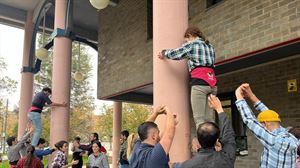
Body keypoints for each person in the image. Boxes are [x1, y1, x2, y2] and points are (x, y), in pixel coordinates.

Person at [158, 27, 217, 129]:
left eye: (186, 39)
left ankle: (205, 143)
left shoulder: (193, 45)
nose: (186, 42)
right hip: (212, 84)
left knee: (199, 119)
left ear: (189, 36)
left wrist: (164, 53)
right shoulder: (210, 46)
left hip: (199, 84)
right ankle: (214, 142)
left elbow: (177, 54)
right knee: (210, 119)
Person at [235, 83, 299, 168]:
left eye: (261, 125)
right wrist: (251, 96)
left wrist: (238, 95)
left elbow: (250, 120)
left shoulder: (274, 141)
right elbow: (268, 114)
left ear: (265, 123)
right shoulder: (289, 135)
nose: (261, 128)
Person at [173, 94, 236, 168]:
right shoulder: (227, 158)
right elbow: (229, 134)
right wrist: (219, 109)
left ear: (198, 143)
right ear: (216, 141)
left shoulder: (186, 165)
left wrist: (172, 126)